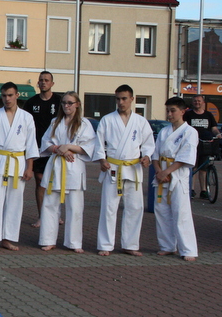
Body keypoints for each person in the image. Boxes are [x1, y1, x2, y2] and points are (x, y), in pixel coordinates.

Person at [93, 84, 155, 256]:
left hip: (134, 169)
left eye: (124, 99)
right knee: (109, 208)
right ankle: (105, 245)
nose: (120, 102)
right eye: (118, 99)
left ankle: (130, 245)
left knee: (134, 208)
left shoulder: (141, 121)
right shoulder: (107, 119)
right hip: (113, 168)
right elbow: (99, 143)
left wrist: (147, 156)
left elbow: (149, 144)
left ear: (132, 99)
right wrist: (102, 159)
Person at [0, 82, 38, 252]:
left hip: (18, 162)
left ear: (17, 95)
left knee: (14, 203)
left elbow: (31, 144)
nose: (7, 98)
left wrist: (29, 167)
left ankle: (7, 238)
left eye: (10, 95)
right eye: (4, 95)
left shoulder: (26, 117)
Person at [38, 92, 96, 253]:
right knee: (50, 204)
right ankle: (48, 240)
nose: (66, 106)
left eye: (70, 103)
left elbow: (89, 146)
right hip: (56, 165)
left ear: (77, 104)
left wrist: (69, 147)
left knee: (75, 207)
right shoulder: (55, 122)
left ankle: (74, 242)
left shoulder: (84, 124)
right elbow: (45, 143)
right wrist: (59, 149)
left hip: (74, 167)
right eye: (64, 103)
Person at [152, 97, 199, 262]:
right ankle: (167, 246)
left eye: (173, 110)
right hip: (162, 174)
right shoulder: (164, 131)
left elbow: (185, 158)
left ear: (183, 111)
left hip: (178, 175)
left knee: (181, 212)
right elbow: (155, 155)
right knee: (162, 211)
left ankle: (188, 249)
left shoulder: (190, 132)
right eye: (168, 111)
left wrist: (167, 172)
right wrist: (159, 171)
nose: (169, 114)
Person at [23, 71, 62, 228]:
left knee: (56, 182)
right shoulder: (31, 103)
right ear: (38, 83)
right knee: (40, 181)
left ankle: (56, 214)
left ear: (52, 83)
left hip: (55, 148)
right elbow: (25, 125)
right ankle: (41, 216)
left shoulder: (59, 101)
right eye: (41, 80)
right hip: (38, 148)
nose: (43, 82)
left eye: (46, 80)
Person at [183, 94, 222, 199]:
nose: (197, 103)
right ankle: (191, 189)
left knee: (203, 168)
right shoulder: (188, 114)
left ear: (203, 102)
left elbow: (213, 127)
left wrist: (218, 134)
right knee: (193, 167)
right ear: (192, 102)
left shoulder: (208, 115)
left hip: (205, 143)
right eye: (195, 101)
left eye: (199, 101)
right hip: (192, 144)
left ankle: (204, 190)